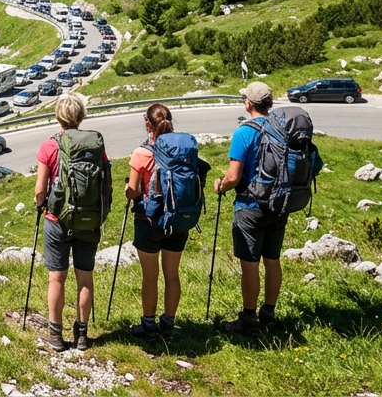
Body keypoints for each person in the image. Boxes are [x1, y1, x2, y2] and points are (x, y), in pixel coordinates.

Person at [213, 81, 321, 334]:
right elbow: (315, 165)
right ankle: (268, 314)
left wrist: (220, 187)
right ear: (269, 104)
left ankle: (249, 320)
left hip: (250, 206)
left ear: (248, 103)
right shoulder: (284, 130)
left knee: (250, 264)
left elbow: (233, 177)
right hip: (280, 204)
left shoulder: (244, 132)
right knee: (272, 260)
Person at [34, 92, 110, 351]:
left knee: (57, 278)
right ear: (81, 117)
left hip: (57, 220)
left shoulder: (49, 146)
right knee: (84, 277)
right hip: (89, 220)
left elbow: (40, 191)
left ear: (58, 117)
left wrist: (40, 204)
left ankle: (55, 335)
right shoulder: (95, 146)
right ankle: (82, 335)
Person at [124, 103, 189, 338]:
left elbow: (133, 190)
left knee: (150, 277)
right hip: (177, 220)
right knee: (172, 275)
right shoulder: (182, 149)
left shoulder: (141, 154)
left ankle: (148, 324)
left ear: (147, 124)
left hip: (148, 221)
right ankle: (168, 324)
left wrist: (127, 190)